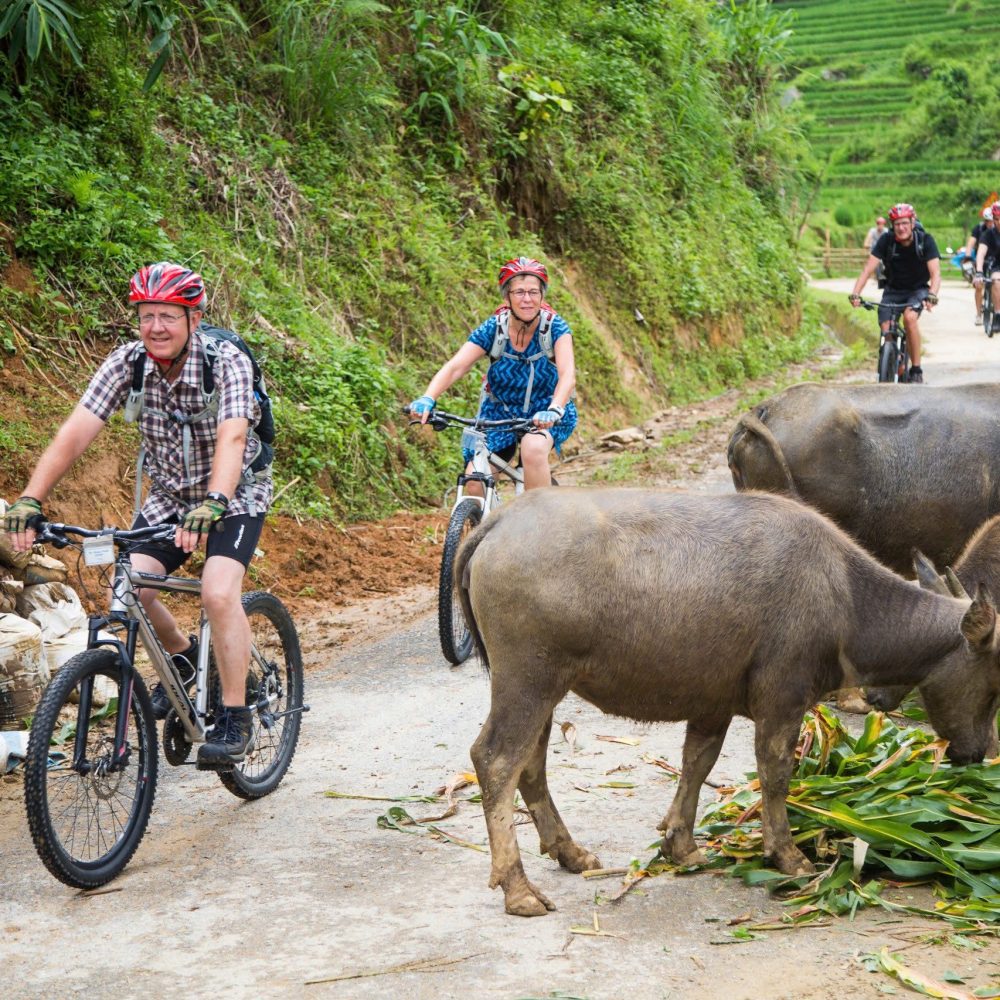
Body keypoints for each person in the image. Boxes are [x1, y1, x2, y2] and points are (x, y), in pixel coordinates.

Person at [3, 262, 272, 768]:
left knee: (217, 591)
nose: (156, 327)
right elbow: (77, 430)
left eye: (168, 315)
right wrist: (32, 498)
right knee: (129, 590)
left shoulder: (225, 361)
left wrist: (215, 501)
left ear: (193, 317)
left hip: (234, 494)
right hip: (170, 497)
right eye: (146, 315)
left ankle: (237, 718)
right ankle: (187, 662)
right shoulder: (128, 363)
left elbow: (234, 436)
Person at [408, 256, 576, 490]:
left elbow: (568, 374)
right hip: (500, 413)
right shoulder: (494, 328)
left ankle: (540, 523)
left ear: (542, 296)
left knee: (533, 448)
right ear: (507, 296)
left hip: (546, 410)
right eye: (519, 292)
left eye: (533, 292)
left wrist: (555, 408)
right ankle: (479, 523)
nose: (527, 299)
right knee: (475, 481)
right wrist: (428, 397)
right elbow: (457, 366)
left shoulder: (555, 327)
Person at [849, 203, 941, 384]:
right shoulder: (886, 241)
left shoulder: (925, 240)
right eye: (897, 224)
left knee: (909, 318)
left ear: (912, 222)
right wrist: (856, 293)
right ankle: (891, 359)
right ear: (892, 225)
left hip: (917, 290)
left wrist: (932, 295)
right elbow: (868, 269)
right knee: (887, 330)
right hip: (892, 291)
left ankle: (916, 369)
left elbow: (935, 274)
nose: (901, 227)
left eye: (905, 223)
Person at [964, 206, 995, 324]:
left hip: (995, 260)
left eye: (993, 220)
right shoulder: (979, 229)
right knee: (979, 286)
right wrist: (967, 255)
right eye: (988, 221)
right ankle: (978, 314)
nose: (990, 223)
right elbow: (971, 242)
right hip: (981, 259)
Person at [974, 203, 1000, 323]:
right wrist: (978, 271)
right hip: (995, 265)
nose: (999, 222)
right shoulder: (988, 234)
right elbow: (980, 253)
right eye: (996, 219)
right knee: (995, 280)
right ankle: (997, 314)